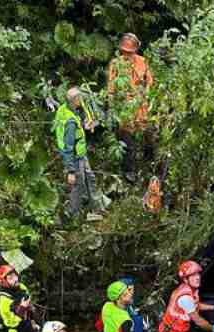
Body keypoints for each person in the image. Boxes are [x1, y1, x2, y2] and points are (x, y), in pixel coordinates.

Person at [107, 33, 154, 183]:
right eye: (124, 51)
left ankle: (149, 163)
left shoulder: (143, 62)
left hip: (142, 107)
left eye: (129, 51)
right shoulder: (116, 64)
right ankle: (129, 171)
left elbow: (150, 82)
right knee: (127, 141)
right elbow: (111, 88)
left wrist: (144, 95)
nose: (126, 54)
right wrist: (113, 106)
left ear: (135, 50)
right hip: (125, 108)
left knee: (149, 135)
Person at [53, 86, 99, 217]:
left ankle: (97, 206)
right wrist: (71, 171)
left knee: (90, 179)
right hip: (74, 157)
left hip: (81, 154)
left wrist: (85, 125)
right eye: (80, 98)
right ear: (75, 100)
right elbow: (68, 148)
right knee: (77, 186)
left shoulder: (65, 109)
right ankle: (73, 215)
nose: (82, 100)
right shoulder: (70, 122)